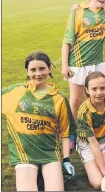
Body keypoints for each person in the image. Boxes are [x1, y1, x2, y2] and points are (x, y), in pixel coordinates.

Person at [2, 51, 76, 191]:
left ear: (49, 68)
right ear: (27, 72)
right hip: (24, 155)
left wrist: (66, 159)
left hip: (49, 154)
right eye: (33, 70)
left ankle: (41, 176)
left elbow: (65, 133)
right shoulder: (15, 92)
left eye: (42, 68)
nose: (38, 74)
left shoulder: (59, 99)